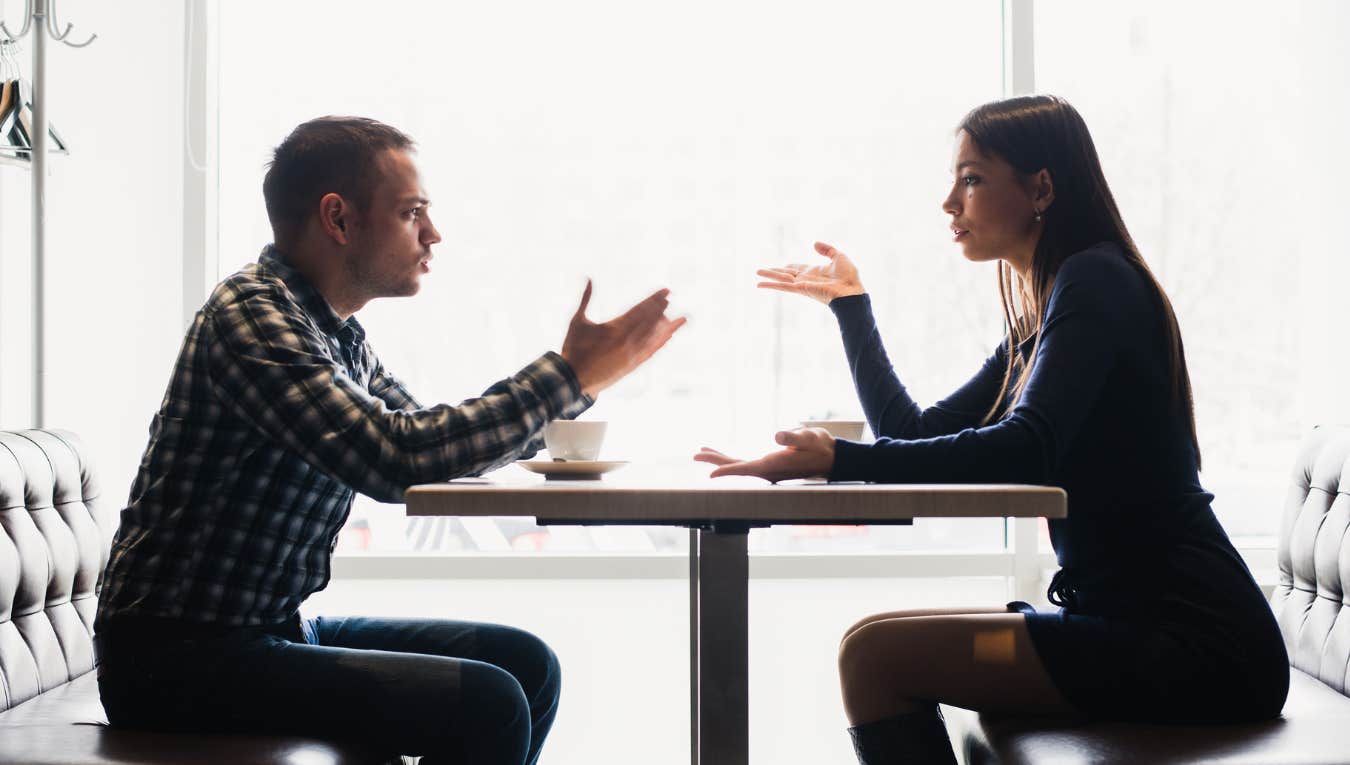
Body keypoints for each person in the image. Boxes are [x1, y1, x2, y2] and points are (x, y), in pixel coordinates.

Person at [695, 95, 1288, 764]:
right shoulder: (1043, 315)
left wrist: (839, 459)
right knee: (871, 641)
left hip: (1190, 644)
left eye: (971, 178)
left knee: (874, 659)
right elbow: (915, 432)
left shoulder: (1095, 281)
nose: (950, 202)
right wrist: (851, 308)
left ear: (1041, 188)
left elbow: (1029, 445)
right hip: (1119, 628)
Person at [94, 116, 686, 765]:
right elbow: (395, 455)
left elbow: (432, 437)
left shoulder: (336, 335)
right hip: (176, 657)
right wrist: (568, 375)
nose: (434, 234)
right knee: (490, 702)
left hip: (270, 630)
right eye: (412, 213)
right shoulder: (253, 317)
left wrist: (578, 385)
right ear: (339, 219)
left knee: (529, 666)